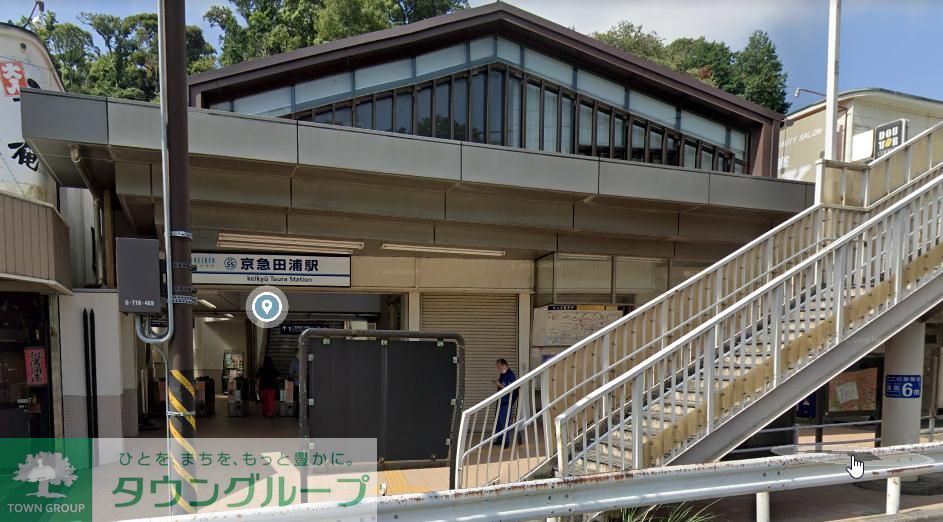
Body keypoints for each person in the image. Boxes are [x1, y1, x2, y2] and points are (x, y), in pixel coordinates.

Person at [493, 358, 518, 448]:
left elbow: (510, 389)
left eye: (499, 367)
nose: (498, 369)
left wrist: (499, 385)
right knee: (499, 422)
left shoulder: (510, 376)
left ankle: (506, 441)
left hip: (506, 402)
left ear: (504, 365)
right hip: (500, 401)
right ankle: (499, 440)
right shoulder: (502, 375)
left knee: (504, 422)